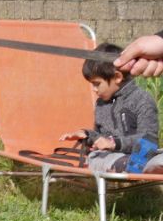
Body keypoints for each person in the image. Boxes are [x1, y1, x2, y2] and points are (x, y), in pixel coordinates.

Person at [61, 43, 163, 174]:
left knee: (154, 155)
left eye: (97, 84)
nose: (94, 89)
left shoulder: (142, 99)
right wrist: (88, 135)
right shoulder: (101, 104)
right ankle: (132, 167)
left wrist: (114, 143)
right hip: (111, 157)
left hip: (141, 155)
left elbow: (149, 139)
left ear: (117, 77)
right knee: (96, 157)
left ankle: (138, 166)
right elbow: (101, 137)